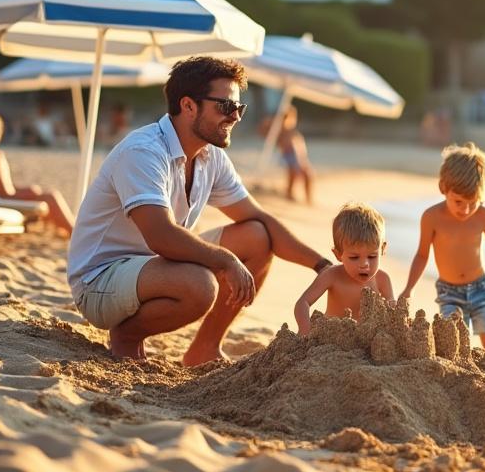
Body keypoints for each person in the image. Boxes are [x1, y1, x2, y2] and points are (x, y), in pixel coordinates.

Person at [66, 57, 332, 365]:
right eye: (225, 107)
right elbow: (161, 236)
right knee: (200, 284)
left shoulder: (210, 156)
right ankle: (126, 336)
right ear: (189, 105)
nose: (235, 117)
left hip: (153, 268)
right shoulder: (144, 151)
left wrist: (322, 266)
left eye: (239, 108)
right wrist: (226, 260)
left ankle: (203, 349)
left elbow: (260, 219)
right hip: (99, 282)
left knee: (257, 236)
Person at [397, 143, 485, 356]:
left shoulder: (484, 217)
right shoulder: (432, 217)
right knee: (454, 346)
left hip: (481, 290)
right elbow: (422, 255)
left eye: (474, 202)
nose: (466, 209)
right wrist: (409, 288)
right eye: (459, 201)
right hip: (449, 293)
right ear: (444, 188)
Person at [0, 110, 76, 237]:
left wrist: (26, 191)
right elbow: (4, 195)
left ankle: (68, 230)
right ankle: (74, 232)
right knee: (50, 197)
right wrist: (30, 192)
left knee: (42, 195)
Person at [293, 202, 395, 335]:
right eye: (354, 257)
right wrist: (305, 328)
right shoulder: (331, 276)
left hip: (365, 340)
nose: (364, 264)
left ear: (382, 250)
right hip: (332, 338)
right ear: (338, 255)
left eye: (372, 256)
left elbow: (394, 311)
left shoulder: (382, 279)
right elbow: (303, 303)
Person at [277, 106, 314, 205]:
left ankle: (308, 197)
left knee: (308, 175)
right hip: (290, 157)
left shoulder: (293, 132)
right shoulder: (283, 131)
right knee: (293, 173)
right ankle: (289, 193)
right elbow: (284, 145)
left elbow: (299, 147)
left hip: (298, 157)